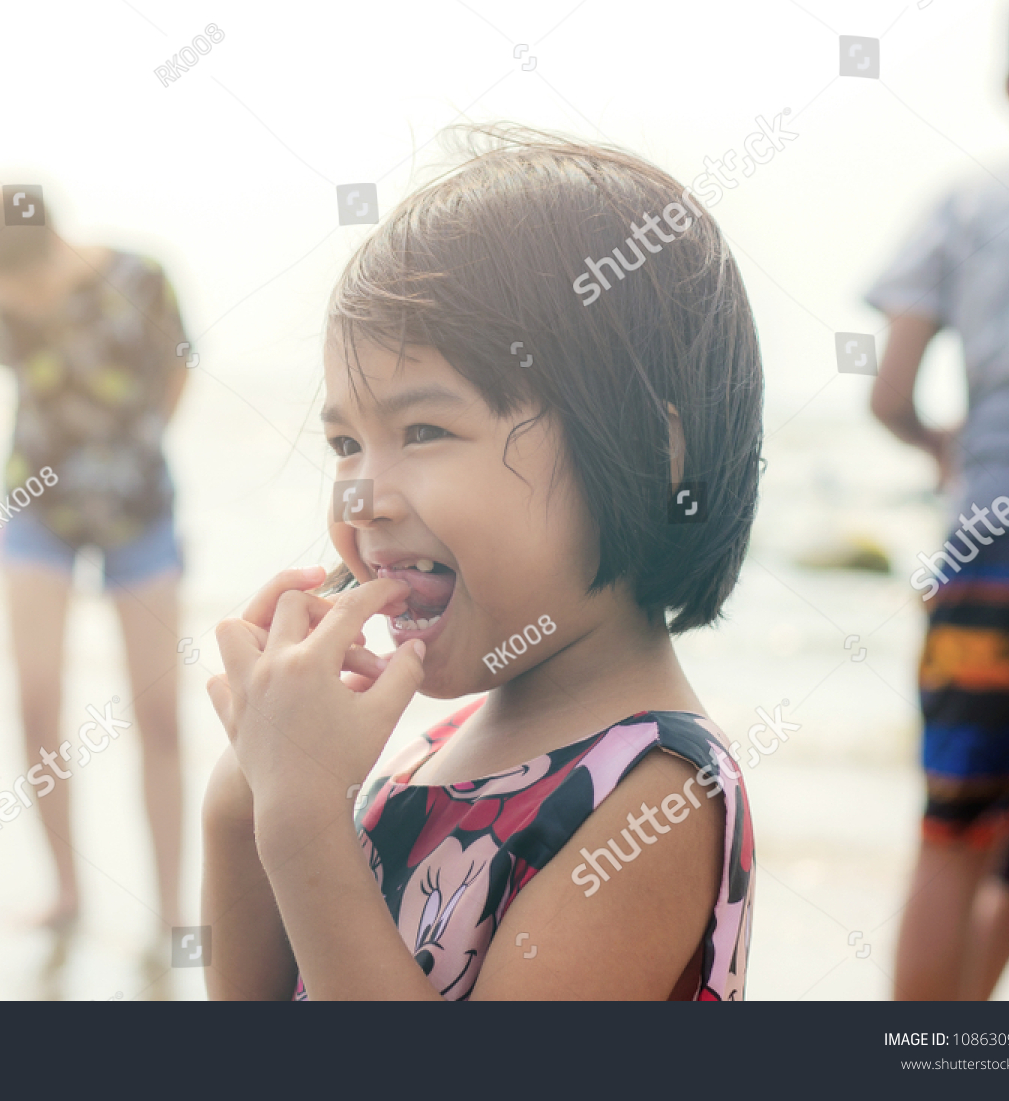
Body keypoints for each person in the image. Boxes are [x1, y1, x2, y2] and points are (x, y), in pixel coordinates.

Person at [200, 127, 759, 1000]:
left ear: (652, 449)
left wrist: (307, 821)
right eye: (346, 442)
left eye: (424, 430)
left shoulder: (654, 796)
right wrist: (249, 797)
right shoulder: (426, 758)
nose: (363, 499)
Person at [867, 0, 1009, 1001]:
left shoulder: (965, 199)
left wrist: (943, 444)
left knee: (953, 836)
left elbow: (890, 395)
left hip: (1000, 546)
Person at [0, 183, 190, 985]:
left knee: (157, 712)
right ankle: (67, 893)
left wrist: (129, 446)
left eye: (27, 287)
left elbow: (180, 372)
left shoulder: (140, 277)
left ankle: (171, 909)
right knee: (36, 699)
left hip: (138, 509)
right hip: (34, 508)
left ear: (53, 250)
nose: (20, 302)